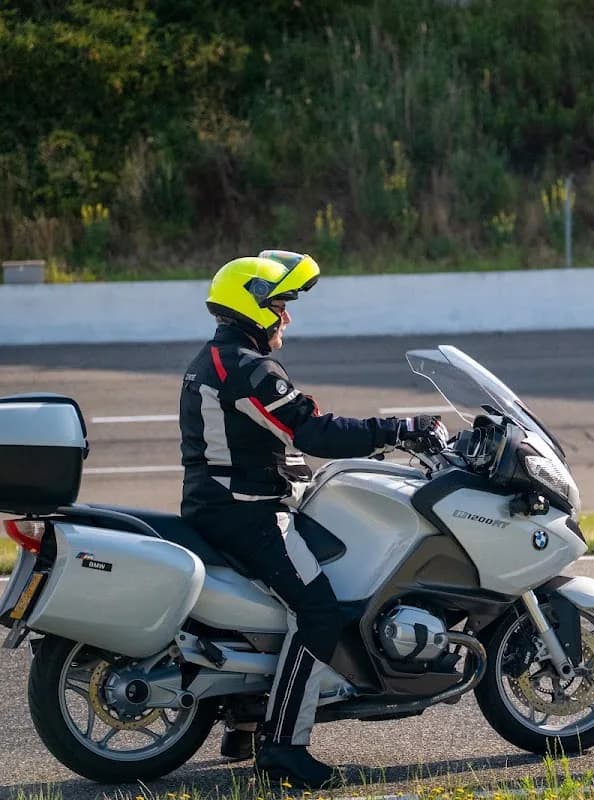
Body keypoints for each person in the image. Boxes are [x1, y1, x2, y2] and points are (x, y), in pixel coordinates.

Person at [179, 250, 448, 788]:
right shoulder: (250, 369)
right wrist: (398, 429)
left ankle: (247, 717)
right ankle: (283, 749)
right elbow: (312, 433)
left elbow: (280, 440)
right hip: (245, 513)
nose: (287, 317)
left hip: (226, 503)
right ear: (254, 308)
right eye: (280, 305)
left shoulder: (219, 358)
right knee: (319, 613)